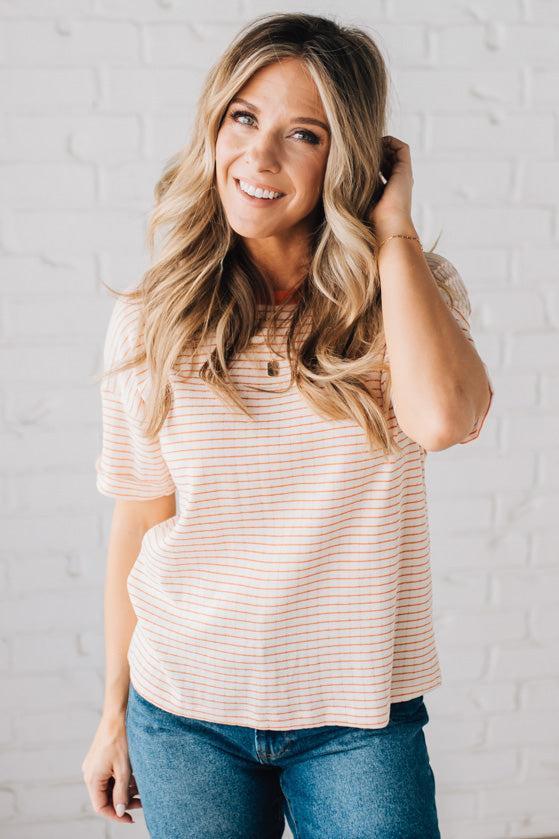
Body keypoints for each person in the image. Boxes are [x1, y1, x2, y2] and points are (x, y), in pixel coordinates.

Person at [81, 12, 494, 838]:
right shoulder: (152, 315)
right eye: (244, 118)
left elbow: (445, 419)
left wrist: (393, 230)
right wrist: (112, 712)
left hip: (356, 714)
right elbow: (139, 521)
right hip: (183, 708)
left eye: (302, 134)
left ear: (347, 157)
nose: (259, 159)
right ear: (215, 124)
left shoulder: (403, 292)